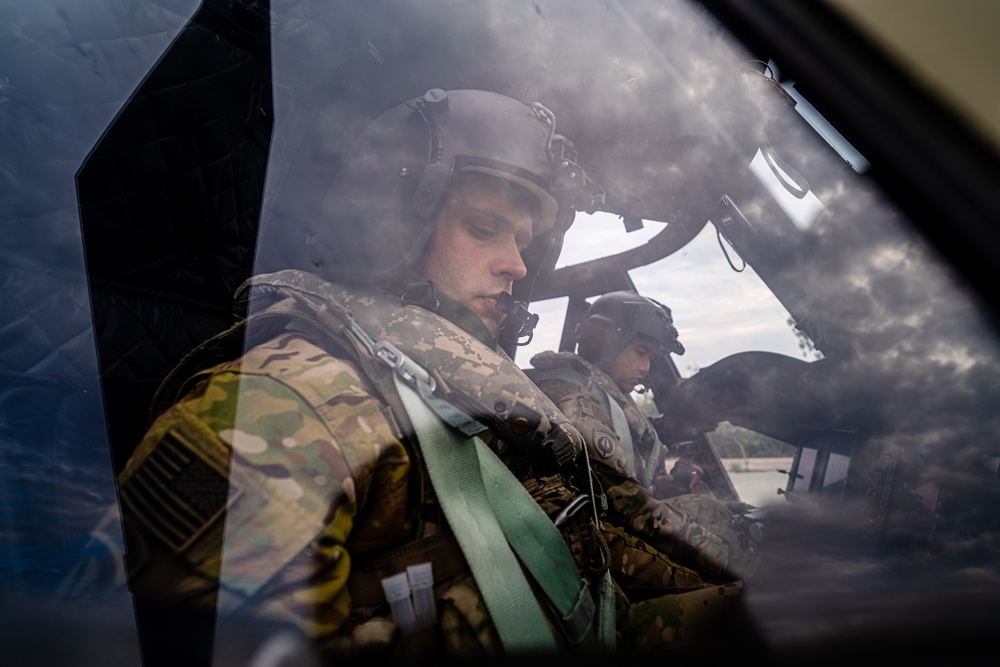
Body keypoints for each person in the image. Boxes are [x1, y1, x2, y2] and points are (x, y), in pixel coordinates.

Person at [102, 88, 617, 660]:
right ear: (397, 227)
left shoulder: (447, 397)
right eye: (483, 228)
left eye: (521, 241)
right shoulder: (291, 405)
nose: (517, 265)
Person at [528, 291, 763, 647]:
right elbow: (632, 510)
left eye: (651, 357)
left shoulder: (597, 394)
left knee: (713, 510)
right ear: (608, 340)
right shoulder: (574, 399)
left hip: (611, 527)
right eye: (641, 352)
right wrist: (732, 559)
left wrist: (664, 487)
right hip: (592, 545)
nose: (646, 369)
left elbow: (617, 487)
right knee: (740, 595)